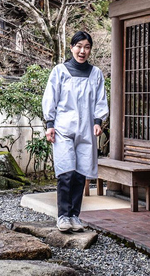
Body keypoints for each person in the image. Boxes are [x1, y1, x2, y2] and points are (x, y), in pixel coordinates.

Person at [43, 31, 109, 232]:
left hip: (86, 130)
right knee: (66, 172)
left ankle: (74, 216)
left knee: (81, 174)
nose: (82, 51)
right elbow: (50, 98)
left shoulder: (95, 73)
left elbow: (100, 100)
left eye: (87, 47)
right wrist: (49, 124)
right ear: (71, 48)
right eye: (79, 46)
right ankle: (63, 215)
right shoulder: (60, 71)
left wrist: (98, 121)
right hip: (63, 128)